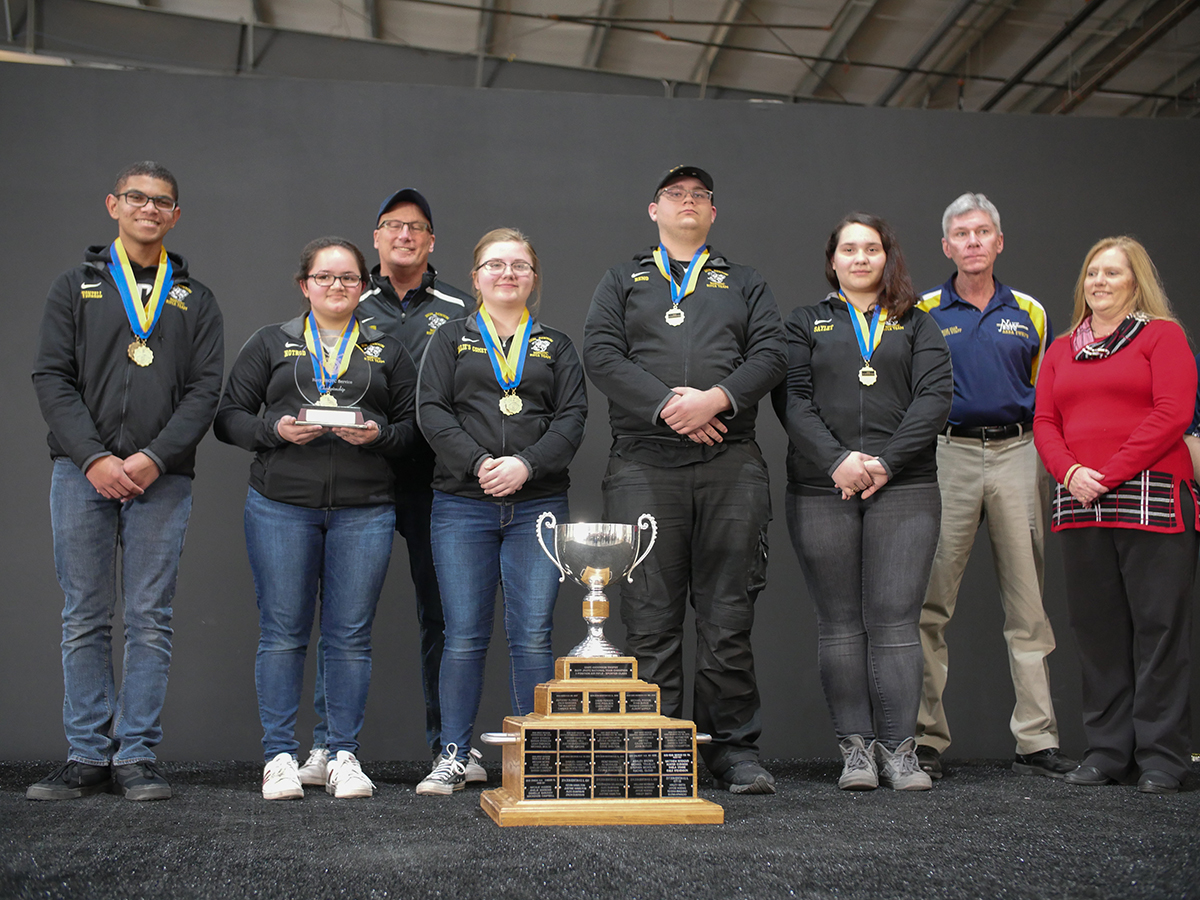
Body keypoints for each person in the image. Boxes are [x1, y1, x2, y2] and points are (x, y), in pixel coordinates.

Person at [583, 166, 786, 794]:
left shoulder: (745, 282)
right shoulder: (623, 279)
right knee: (649, 617)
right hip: (644, 462)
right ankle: (657, 745)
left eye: (700, 196)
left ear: (713, 214)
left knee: (728, 615)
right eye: (676, 195)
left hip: (730, 461)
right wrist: (674, 408)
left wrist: (718, 398)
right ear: (654, 210)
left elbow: (773, 355)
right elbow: (600, 352)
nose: (689, 203)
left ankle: (733, 751)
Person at [28, 161, 224, 801]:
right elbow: (52, 378)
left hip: (161, 478)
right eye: (136, 198)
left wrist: (151, 459)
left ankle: (135, 755)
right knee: (84, 615)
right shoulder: (74, 286)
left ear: (175, 215)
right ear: (113, 204)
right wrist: (93, 458)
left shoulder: (195, 298)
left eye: (162, 201)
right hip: (80, 473)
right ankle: (87, 754)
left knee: (149, 616)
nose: (148, 208)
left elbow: (204, 392)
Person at [214, 237, 418, 800]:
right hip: (281, 506)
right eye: (324, 278)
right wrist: (271, 431)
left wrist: (379, 435)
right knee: (282, 633)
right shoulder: (271, 343)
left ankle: (339, 753)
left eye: (348, 279)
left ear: (364, 288)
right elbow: (229, 417)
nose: (336, 287)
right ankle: (279, 755)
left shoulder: (388, 350)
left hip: (365, 510)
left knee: (349, 637)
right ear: (304, 285)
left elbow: (412, 430)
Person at [295, 189, 484, 788]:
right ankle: (328, 746)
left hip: (442, 483)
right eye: (392, 226)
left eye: (418, 228)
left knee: (444, 619)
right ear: (375, 237)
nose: (405, 235)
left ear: (432, 242)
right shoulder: (348, 293)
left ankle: (449, 748)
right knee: (345, 621)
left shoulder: (460, 303)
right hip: (361, 481)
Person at [775, 213, 952, 791]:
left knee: (896, 624)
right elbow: (793, 401)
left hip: (904, 485)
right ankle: (855, 753)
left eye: (870, 249)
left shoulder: (919, 324)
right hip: (821, 483)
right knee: (840, 626)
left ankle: (901, 753)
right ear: (832, 260)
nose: (859, 258)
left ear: (886, 257)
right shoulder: (804, 322)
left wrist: (883, 463)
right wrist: (838, 461)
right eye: (848, 249)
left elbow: (934, 399)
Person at [415, 228, 587, 795]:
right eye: (495, 264)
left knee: (533, 634)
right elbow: (432, 412)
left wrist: (526, 466)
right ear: (476, 277)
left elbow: (572, 419)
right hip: (463, 503)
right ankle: (454, 754)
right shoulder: (449, 339)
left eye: (519, 265)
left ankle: (538, 755)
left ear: (534, 277)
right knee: (463, 634)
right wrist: (483, 462)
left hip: (538, 504)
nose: (507, 273)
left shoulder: (556, 345)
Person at [913, 193, 1074, 781]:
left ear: (999, 242)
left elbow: (1047, 394)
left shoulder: (1029, 310)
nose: (974, 242)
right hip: (946, 453)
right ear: (947, 246)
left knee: (1028, 605)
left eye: (984, 232)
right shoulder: (925, 308)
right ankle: (925, 738)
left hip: (1017, 451)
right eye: (962, 233)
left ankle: (1037, 739)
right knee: (930, 604)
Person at [1033, 236, 1196, 795]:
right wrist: (1071, 473)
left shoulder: (1162, 337)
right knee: (1098, 633)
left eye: (1112, 273)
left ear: (1136, 281)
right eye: (1092, 273)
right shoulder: (1060, 348)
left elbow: (1173, 412)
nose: (1099, 282)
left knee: (1159, 631)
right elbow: (1045, 423)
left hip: (1152, 501)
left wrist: (1108, 470)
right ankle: (1107, 752)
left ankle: (1164, 759)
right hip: (1081, 504)